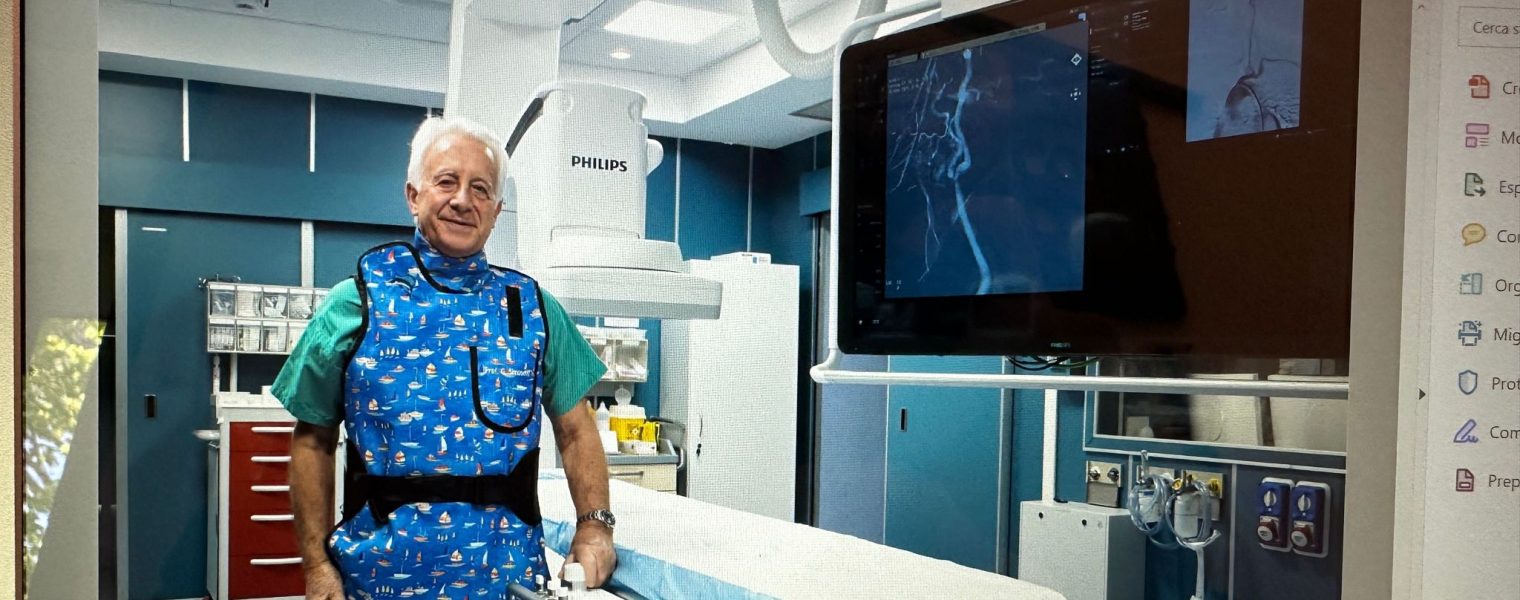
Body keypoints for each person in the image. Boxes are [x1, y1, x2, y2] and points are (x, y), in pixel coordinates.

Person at [275, 115, 617, 600]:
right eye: (446, 182)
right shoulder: (353, 305)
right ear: (413, 196)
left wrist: (595, 525)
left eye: (480, 189)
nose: (462, 200)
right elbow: (312, 440)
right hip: (379, 576)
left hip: (507, 577)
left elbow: (577, 430)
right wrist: (315, 565)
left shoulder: (532, 309)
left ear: (496, 211)